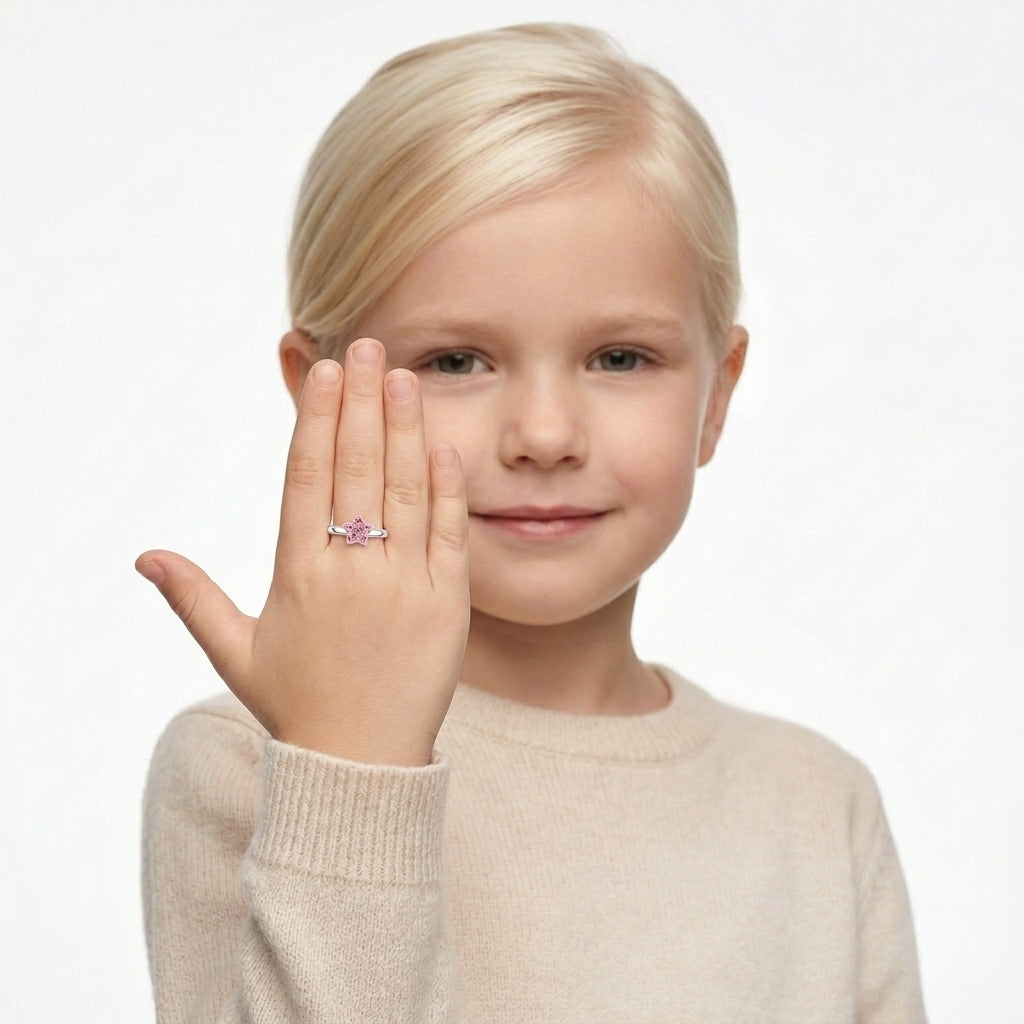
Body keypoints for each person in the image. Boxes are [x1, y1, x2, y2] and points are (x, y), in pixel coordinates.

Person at [136, 23, 926, 1023]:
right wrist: (351, 764)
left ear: (717, 397)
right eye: (457, 360)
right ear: (320, 396)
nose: (545, 434)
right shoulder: (248, 767)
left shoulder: (819, 808)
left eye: (620, 358)